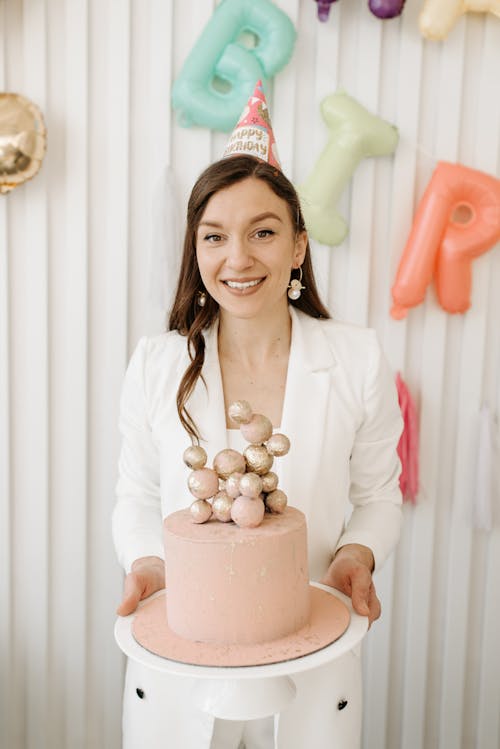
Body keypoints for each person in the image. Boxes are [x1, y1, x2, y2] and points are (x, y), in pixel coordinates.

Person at [113, 84, 403, 749]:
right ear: (196, 249)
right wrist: (149, 563)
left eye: (263, 232)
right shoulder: (157, 363)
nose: (237, 258)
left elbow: (378, 497)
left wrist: (357, 553)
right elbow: (137, 493)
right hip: (178, 675)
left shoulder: (357, 357)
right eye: (214, 236)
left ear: (299, 245)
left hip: (313, 668)